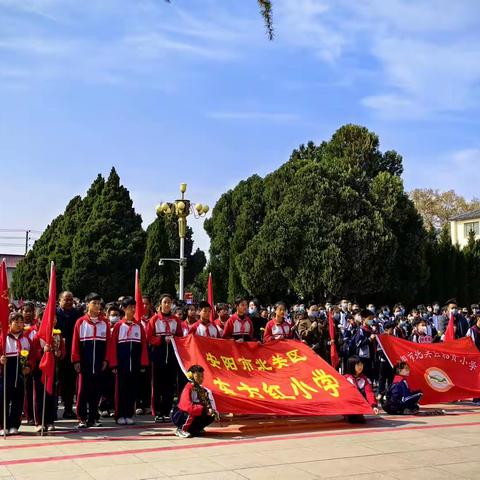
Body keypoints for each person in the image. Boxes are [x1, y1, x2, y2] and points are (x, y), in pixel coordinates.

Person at [71, 293, 110, 429]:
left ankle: (94, 417)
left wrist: (106, 359)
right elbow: (75, 343)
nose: (97, 306)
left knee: (97, 391)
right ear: (87, 304)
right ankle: (81, 418)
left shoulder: (104, 322)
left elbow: (108, 343)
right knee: (82, 391)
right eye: (94, 303)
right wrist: (76, 360)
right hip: (84, 362)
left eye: (99, 303)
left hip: (99, 362)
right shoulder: (80, 322)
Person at [108, 297, 149, 425]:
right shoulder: (119, 326)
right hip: (121, 365)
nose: (133, 309)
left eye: (134, 307)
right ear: (124, 309)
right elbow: (113, 346)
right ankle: (119, 415)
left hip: (135, 364)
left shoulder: (138, 326)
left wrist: (143, 362)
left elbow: (143, 345)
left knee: (132, 390)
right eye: (130, 307)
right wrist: (113, 364)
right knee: (121, 391)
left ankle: (129, 414)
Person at [146, 294, 183, 423]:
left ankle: (166, 411)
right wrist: (162, 339)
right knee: (157, 385)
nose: (167, 305)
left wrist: (174, 339)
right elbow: (149, 337)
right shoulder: (154, 320)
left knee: (169, 385)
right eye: (165, 302)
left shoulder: (176, 320)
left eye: (169, 302)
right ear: (160, 305)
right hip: (158, 355)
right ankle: (157, 412)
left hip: (172, 355)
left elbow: (180, 336)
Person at [0, 312, 34, 435]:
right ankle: (3, 425)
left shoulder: (26, 339)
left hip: (20, 375)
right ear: (9, 323)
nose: (19, 325)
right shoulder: (3, 338)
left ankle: (14, 425)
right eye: (16, 322)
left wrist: (29, 366)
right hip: (5, 374)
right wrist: (1, 360)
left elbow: (32, 356)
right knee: (3, 399)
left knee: (18, 400)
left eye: (21, 322)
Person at [32, 323, 65, 432]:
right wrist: (42, 351)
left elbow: (62, 350)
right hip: (39, 369)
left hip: (52, 368)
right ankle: (39, 421)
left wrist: (59, 353)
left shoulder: (57, 335)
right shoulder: (37, 336)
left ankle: (50, 421)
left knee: (51, 395)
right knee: (39, 396)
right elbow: (33, 353)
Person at [56, 291, 83, 419]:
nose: (68, 302)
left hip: (72, 352)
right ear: (59, 300)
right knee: (56, 382)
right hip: (58, 353)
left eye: (71, 300)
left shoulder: (77, 314)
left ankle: (68, 409)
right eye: (66, 299)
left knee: (70, 382)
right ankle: (53, 410)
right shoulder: (54, 313)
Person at [172, 364, 219, 438]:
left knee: (212, 415)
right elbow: (187, 406)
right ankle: (181, 429)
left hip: (196, 410)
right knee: (191, 412)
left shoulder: (202, 389)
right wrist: (203, 409)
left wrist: (210, 409)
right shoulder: (188, 388)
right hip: (180, 415)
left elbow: (206, 402)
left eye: (202, 376)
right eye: (198, 376)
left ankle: (195, 429)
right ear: (191, 376)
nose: (201, 379)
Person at [344, 356, 378, 423]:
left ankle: (359, 412)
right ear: (351, 366)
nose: (360, 367)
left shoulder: (365, 379)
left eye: (361, 364)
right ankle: (348, 413)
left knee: (360, 421)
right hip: (349, 404)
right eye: (358, 365)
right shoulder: (345, 379)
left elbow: (369, 393)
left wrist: (373, 406)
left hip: (359, 404)